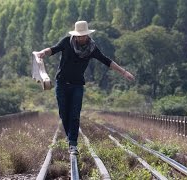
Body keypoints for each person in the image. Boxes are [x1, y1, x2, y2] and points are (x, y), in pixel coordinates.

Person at [36, 21, 135, 155]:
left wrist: (123, 72)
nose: (82, 38)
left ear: (88, 35)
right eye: (80, 36)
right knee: (63, 113)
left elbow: (106, 60)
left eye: (84, 36)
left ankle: (73, 144)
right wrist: (43, 52)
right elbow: (53, 49)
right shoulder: (66, 42)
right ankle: (69, 138)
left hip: (77, 85)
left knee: (75, 115)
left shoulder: (91, 48)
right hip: (62, 83)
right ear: (75, 36)